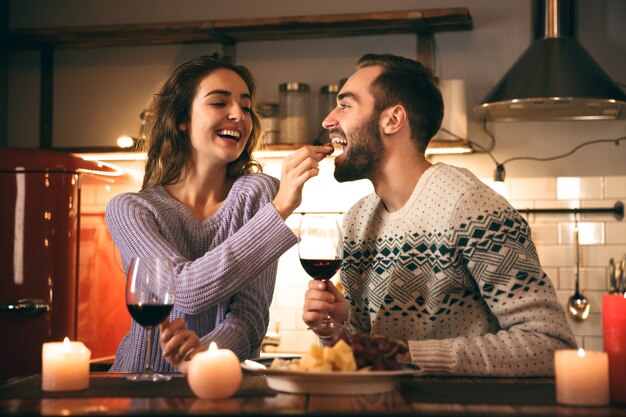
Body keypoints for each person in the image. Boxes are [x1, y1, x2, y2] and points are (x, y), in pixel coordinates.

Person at [302, 53, 577, 377]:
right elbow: (366, 357)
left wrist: (408, 354)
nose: (328, 120)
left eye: (345, 105)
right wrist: (332, 331)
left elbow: (551, 345)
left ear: (393, 119)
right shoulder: (356, 223)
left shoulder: (472, 208)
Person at [106, 54, 333, 374]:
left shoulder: (258, 194)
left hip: (217, 383)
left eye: (245, 105)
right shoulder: (132, 210)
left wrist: (205, 354)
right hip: (136, 384)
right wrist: (280, 209)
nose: (237, 114)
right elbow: (185, 291)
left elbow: (251, 317)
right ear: (182, 118)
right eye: (219, 103)